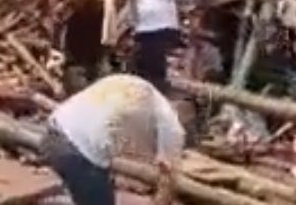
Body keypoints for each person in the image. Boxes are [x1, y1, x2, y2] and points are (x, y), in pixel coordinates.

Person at [41, 74, 189, 205]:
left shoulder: (133, 84)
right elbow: (168, 178)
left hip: (53, 131)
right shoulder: (172, 127)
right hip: (79, 152)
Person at [118, 0, 180, 92]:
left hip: (148, 14)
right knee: (157, 56)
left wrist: (132, 16)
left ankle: (146, 92)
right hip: (168, 13)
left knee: (144, 59)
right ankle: (161, 90)